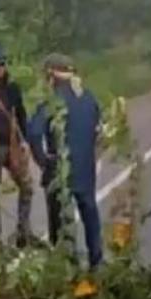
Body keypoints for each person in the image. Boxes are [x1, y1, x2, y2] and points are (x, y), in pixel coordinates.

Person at [27, 53, 104, 269]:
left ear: (51, 76)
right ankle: (96, 261)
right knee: (90, 212)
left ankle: (67, 266)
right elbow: (100, 132)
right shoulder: (88, 98)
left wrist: (43, 160)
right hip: (85, 167)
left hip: (59, 168)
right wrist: (92, 156)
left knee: (60, 220)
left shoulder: (51, 103)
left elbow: (33, 133)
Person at [0, 46, 37, 248]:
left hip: (12, 144)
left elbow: (20, 114)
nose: (1, 68)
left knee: (27, 186)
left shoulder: (11, 88)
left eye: (3, 64)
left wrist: (25, 141)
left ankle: (24, 231)